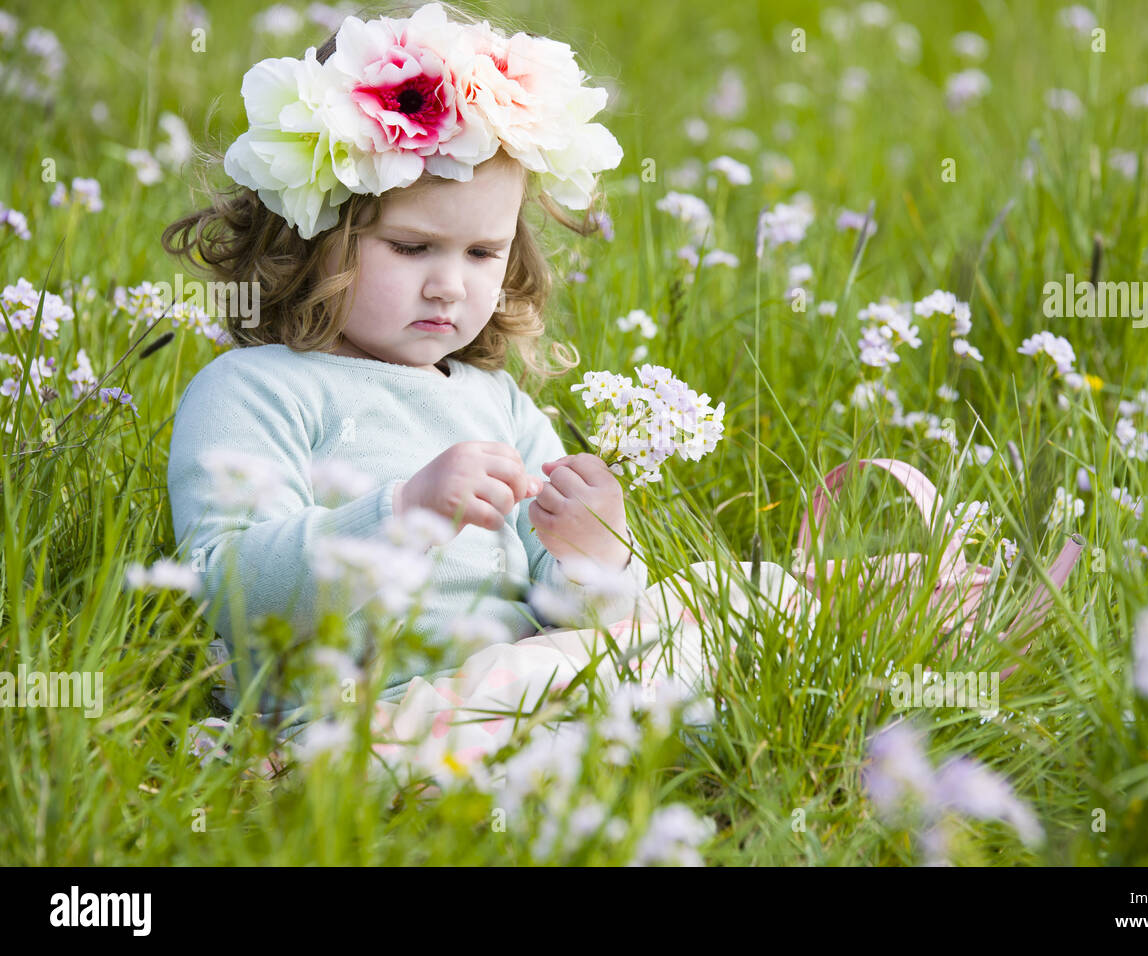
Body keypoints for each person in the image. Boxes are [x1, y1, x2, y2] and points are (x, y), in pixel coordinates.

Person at [162, 1, 816, 784]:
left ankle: (737, 680)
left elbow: (574, 615)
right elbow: (228, 589)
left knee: (730, 595)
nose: (449, 285)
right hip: (371, 709)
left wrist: (593, 557)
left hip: (524, 676)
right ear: (312, 235)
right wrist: (401, 514)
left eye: (482, 252)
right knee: (606, 668)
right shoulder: (254, 389)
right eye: (412, 247)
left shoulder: (496, 402)